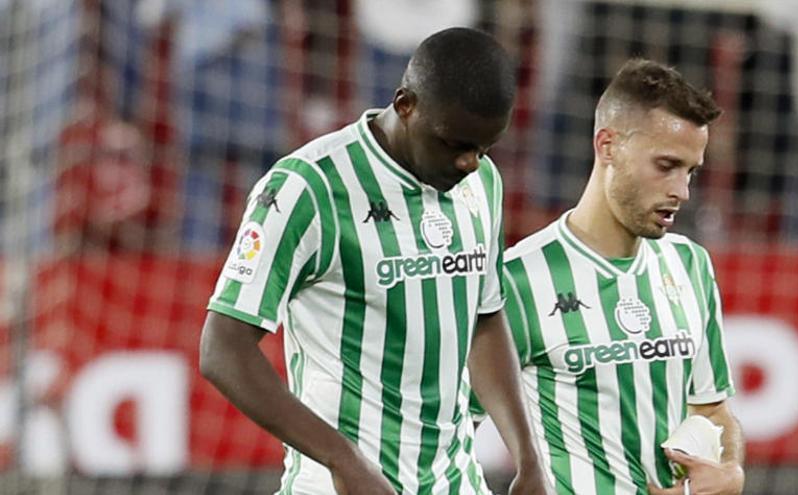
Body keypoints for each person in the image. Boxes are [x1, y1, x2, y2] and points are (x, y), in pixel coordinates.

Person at [199, 27, 549, 495]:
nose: (470, 162)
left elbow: (483, 319)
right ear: (405, 104)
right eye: (455, 143)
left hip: (454, 482)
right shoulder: (308, 188)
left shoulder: (482, 181)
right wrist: (341, 459)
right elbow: (222, 349)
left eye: (485, 147)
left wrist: (527, 456)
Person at [496, 59, 745, 494]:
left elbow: (712, 410)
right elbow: (452, 426)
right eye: (666, 165)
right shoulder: (518, 280)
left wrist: (729, 471)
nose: (682, 192)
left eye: (691, 171)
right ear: (607, 146)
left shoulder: (690, 265)